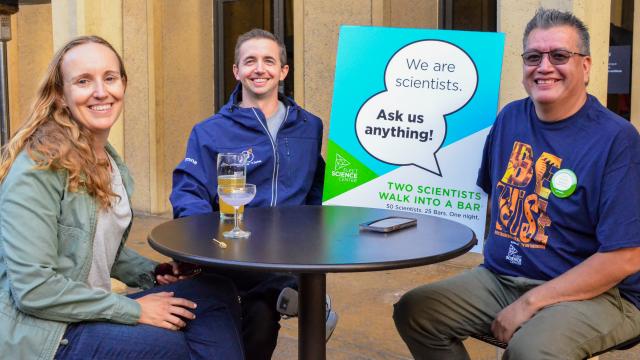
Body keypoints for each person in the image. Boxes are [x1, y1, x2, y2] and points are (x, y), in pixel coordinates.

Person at [393, 8, 640, 360]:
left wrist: (530, 303)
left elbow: (625, 257)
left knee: (530, 351)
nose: (544, 66)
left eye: (559, 55)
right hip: (501, 278)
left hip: (601, 294)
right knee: (416, 311)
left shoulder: (617, 139)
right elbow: (491, 198)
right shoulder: (510, 118)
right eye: (533, 56)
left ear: (585, 67)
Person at [0, 35, 244, 359]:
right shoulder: (39, 167)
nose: (101, 91)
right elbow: (34, 289)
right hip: (45, 331)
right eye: (84, 81)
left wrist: (152, 273)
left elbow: (91, 247)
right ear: (61, 95)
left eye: (110, 78)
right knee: (169, 345)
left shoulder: (107, 161)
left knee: (215, 291)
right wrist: (134, 310)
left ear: (123, 85)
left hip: (85, 308)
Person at [170, 28, 325, 359]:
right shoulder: (209, 131)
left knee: (260, 328)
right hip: (228, 252)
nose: (259, 69)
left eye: (269, 61)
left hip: (286, 251)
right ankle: (295, 293)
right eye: (250, 61)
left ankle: (290, 288)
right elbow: (189, 188)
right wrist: (203, 238)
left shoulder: (309, 127)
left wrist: (319, 235)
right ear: (236, 71)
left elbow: (317, 187)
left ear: (283, 71)